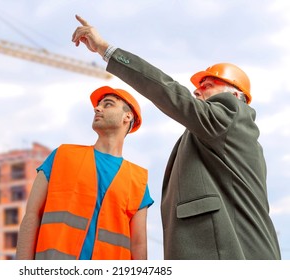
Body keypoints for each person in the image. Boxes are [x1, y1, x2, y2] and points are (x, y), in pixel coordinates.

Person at [71, 15, 281, 260]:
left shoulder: (232, 115)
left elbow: (167, 90)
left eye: (208, 84)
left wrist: (107, 50)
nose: (197, 90)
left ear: (234, 95)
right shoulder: (212, 135)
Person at [16, 85, 154, 260]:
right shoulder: (62, 156)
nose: (97, 108)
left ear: (127, 116)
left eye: (108, 104)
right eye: (99, 105)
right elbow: (31, 215)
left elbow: (139, 245)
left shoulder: (138, 180)